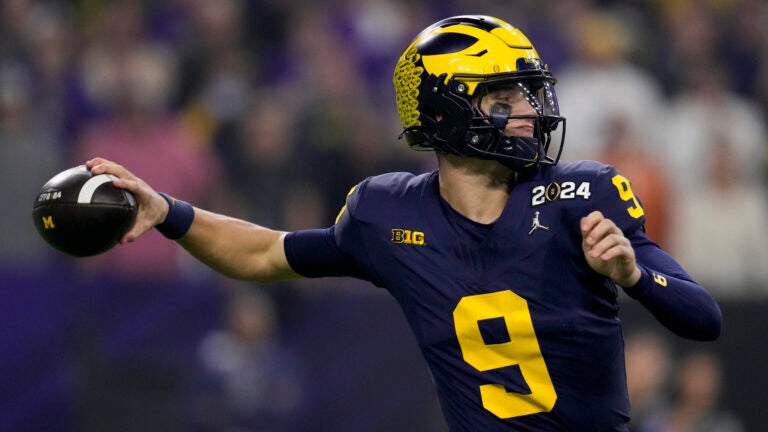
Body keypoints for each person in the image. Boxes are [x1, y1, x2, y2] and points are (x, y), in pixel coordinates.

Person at [85, 15, 722, 432]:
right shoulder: (387, 213)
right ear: (444, 113)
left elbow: (702, 317)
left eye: (527, 95)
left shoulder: (584, 193)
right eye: (502, 99)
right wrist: (169, 212)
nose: (527, 112)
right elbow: (265, 254)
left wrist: (634, 274)